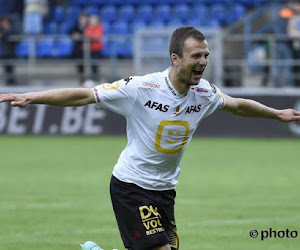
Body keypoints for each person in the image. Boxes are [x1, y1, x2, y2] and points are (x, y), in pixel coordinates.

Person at [1, 26, 300, 250]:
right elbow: (83, 95)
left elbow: (237, 105)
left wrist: (277, 114)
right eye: (196, 55)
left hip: (165, 191)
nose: (203, 61)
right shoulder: (140, 88)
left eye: (206, 55)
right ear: (175, 58)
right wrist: (31, 97)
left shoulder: (204, 92)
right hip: (131, 186)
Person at [83, 14, 104, 83]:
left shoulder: (100, 27)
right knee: (90, 64)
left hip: (97, 49)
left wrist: (91, 37)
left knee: (95, 64)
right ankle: (90, 79)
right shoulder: (88, 27)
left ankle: (96, 79)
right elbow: (86, 35)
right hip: (89, 49)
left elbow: (97, 36)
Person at [69, 13, 89, 85]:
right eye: (81, 19)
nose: (83, 20)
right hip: (78, 48)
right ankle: (81, 79)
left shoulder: (88, 26)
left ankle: (88, 79)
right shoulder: (76, 26)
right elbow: (70, 31)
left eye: (84, 19)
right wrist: (74, 35)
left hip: (87, 48)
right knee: (79, 64)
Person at [0, 16, 16, 85]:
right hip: (5, 51)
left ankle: (11, 82)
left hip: (9, 52)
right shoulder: (3, 30)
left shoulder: (10, 29)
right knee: (6, 68)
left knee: (10, 68)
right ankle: (9, 81)